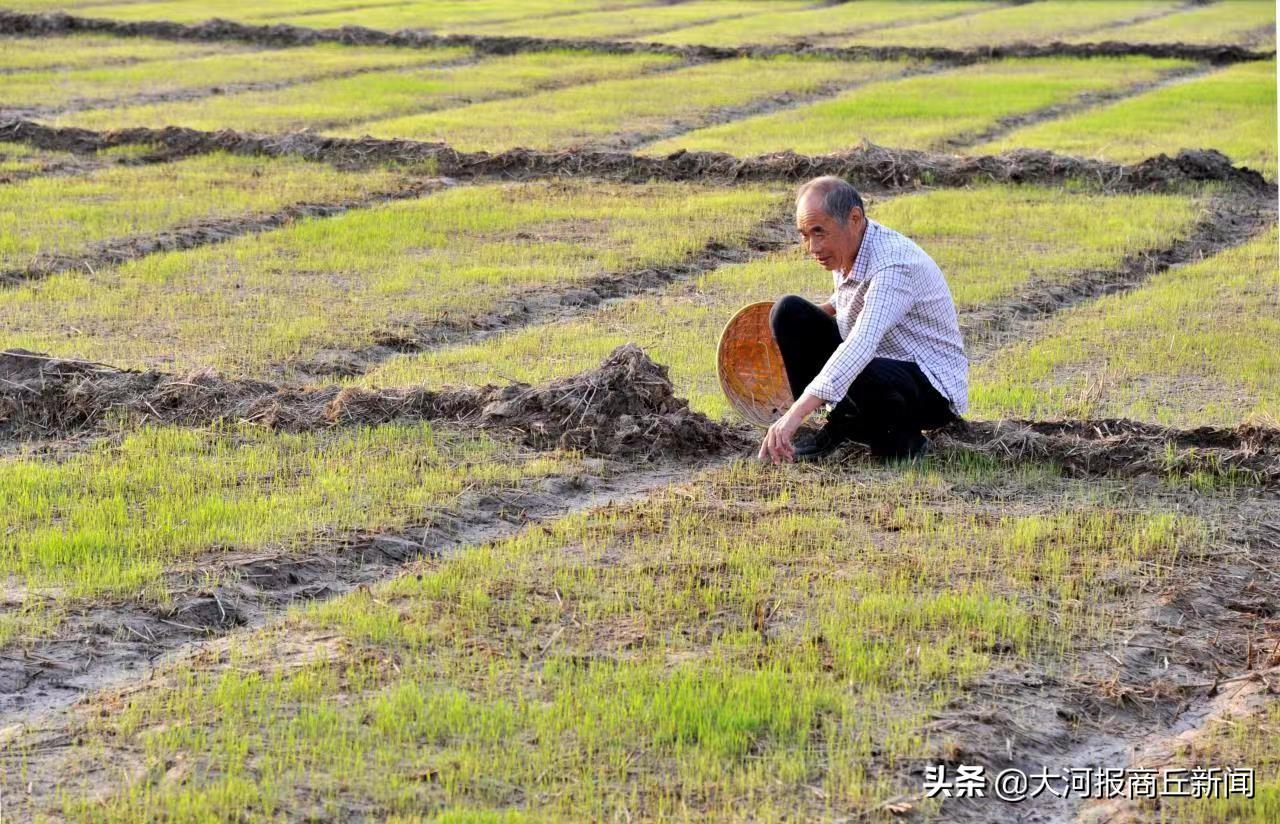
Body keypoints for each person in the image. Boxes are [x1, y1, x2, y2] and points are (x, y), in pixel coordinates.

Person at [757, 176, 968, 464]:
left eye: (819, 232)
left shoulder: (894, 266)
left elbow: (861, 343)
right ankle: (845, 420)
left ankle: (905, 441)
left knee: (856, 361)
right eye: (805, 235)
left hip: (930, 387)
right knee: (788, 312)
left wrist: (795, 415)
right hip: (879, 367)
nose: (812, 247)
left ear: (854, 218)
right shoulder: (849, 246)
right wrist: (805, 326)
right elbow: (852, 296)